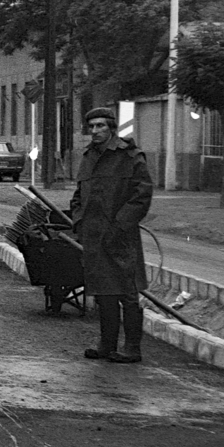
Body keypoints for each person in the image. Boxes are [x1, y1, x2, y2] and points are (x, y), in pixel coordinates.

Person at [70, 107, 153, 363]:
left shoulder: (130, 156)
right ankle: (106, 344)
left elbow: (142, 196)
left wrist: (119, 226)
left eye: (100, 126)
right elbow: (79, 196)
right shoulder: (88, 157)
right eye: (92, 126)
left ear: (112, 128)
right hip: (95, 237)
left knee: (128, 293)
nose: (95, 131)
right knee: (104, 291)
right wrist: (79, 221)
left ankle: (132, 348)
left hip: (121, 237)